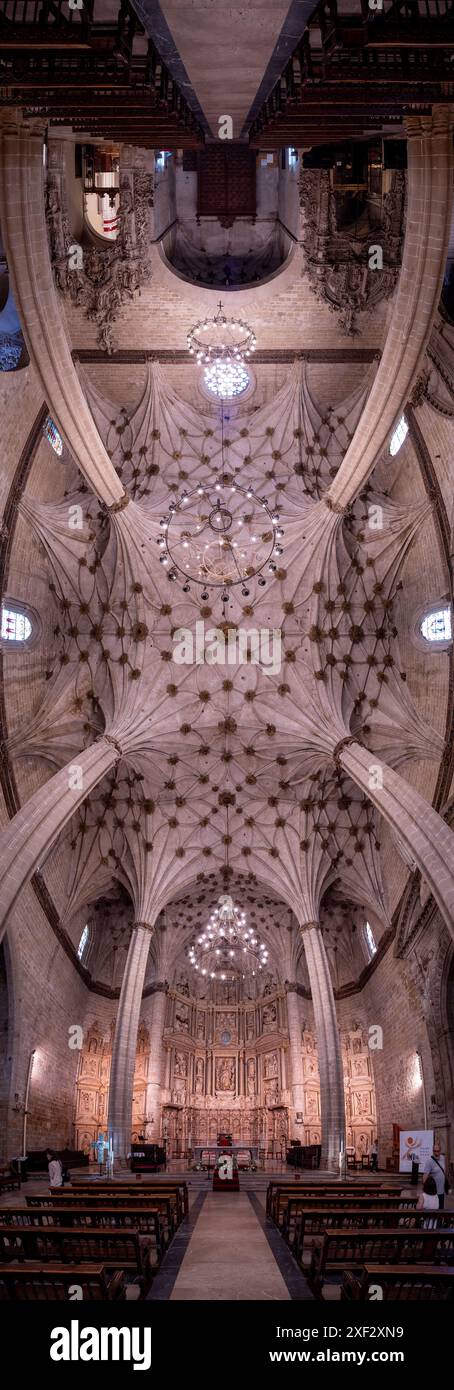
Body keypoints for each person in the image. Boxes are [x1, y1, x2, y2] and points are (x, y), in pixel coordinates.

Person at [423, 1138, 448, 1210]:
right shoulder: (429, 1162)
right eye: (434, 1151)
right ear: (432, 1151)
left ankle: (440, 1221)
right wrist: (424, 1190)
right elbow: (425, 1176)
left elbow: (444, 1171)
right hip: (434, 1191)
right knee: (434, 1210)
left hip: (441, 1190)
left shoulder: (443, 1158)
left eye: (438, 1151)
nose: (436, 1153)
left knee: (441, 1209)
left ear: (440, 1151)